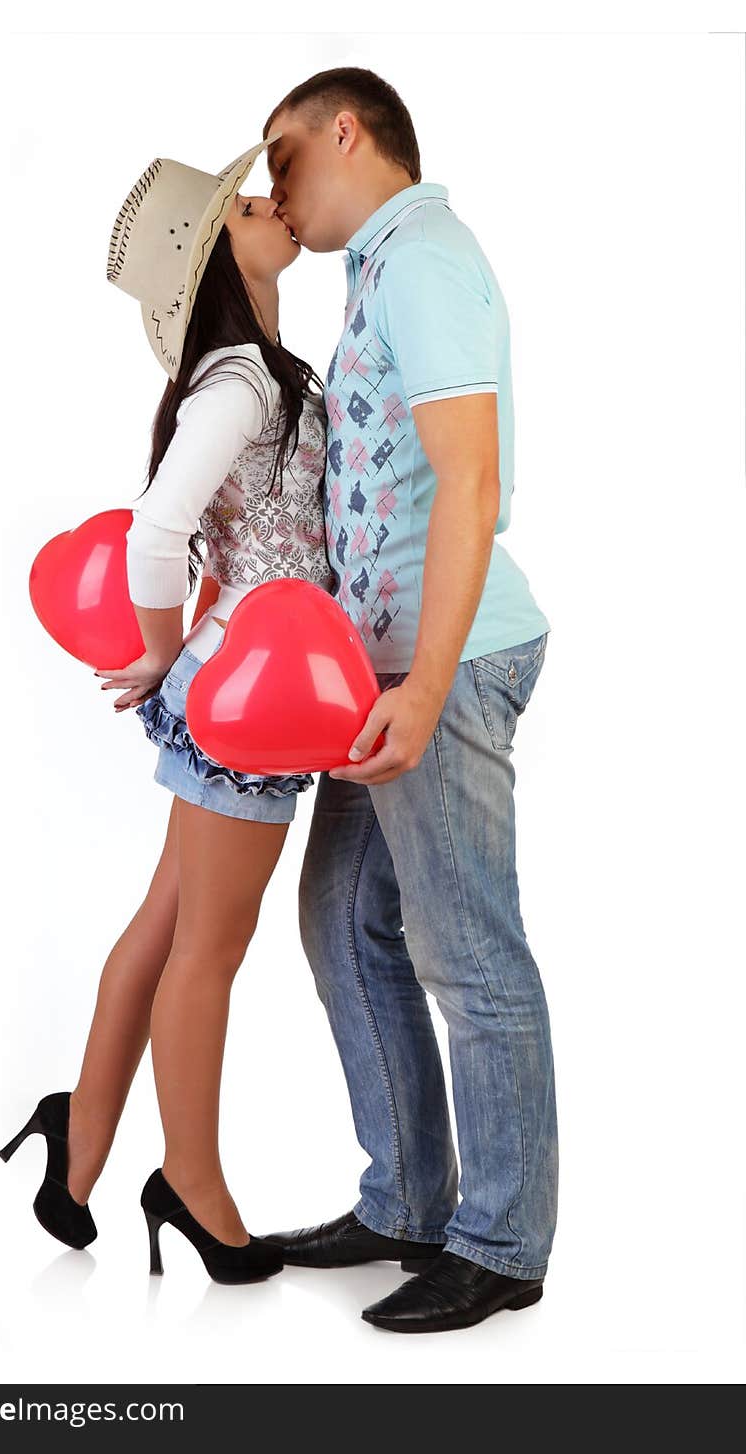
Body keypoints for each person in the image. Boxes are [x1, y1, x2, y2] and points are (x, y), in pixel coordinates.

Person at [0, 135, 340, 1286]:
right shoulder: (241, 380)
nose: (273, 205)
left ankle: (77, 1141)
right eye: (250, 204)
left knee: (167, 923)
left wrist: (172, 658)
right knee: (210, 946)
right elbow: (156, 530)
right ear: (212, 256)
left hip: (243, 682)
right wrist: (158, 656)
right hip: (246, 692)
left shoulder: (253, 370)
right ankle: (189, 1180)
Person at [257, 68, 559, 1333]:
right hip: (380, 672)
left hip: (443, 663)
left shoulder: (424, 256)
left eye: (282, 160)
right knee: (341, 921)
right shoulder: (376, 268)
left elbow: (469, 478)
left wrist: (427, 682)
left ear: (346, 131)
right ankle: (407, 1201)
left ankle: (499, 1241)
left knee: (466, 950)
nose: (275, 190)